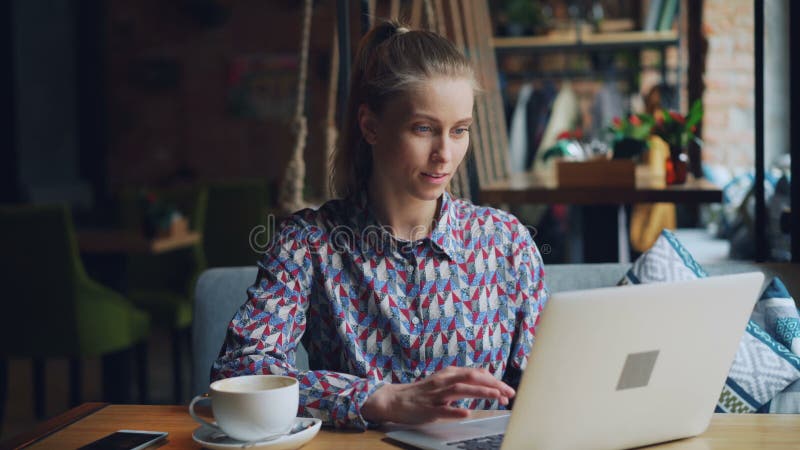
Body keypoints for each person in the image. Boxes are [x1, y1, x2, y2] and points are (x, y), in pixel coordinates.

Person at [211, 20, 548, 430]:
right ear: (371, 126)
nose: (445, 154)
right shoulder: (308, 243)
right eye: (423, 129)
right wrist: (378, 398)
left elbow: (546, 386)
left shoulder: (507, 241)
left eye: (459, 131)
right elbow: (239, 372)